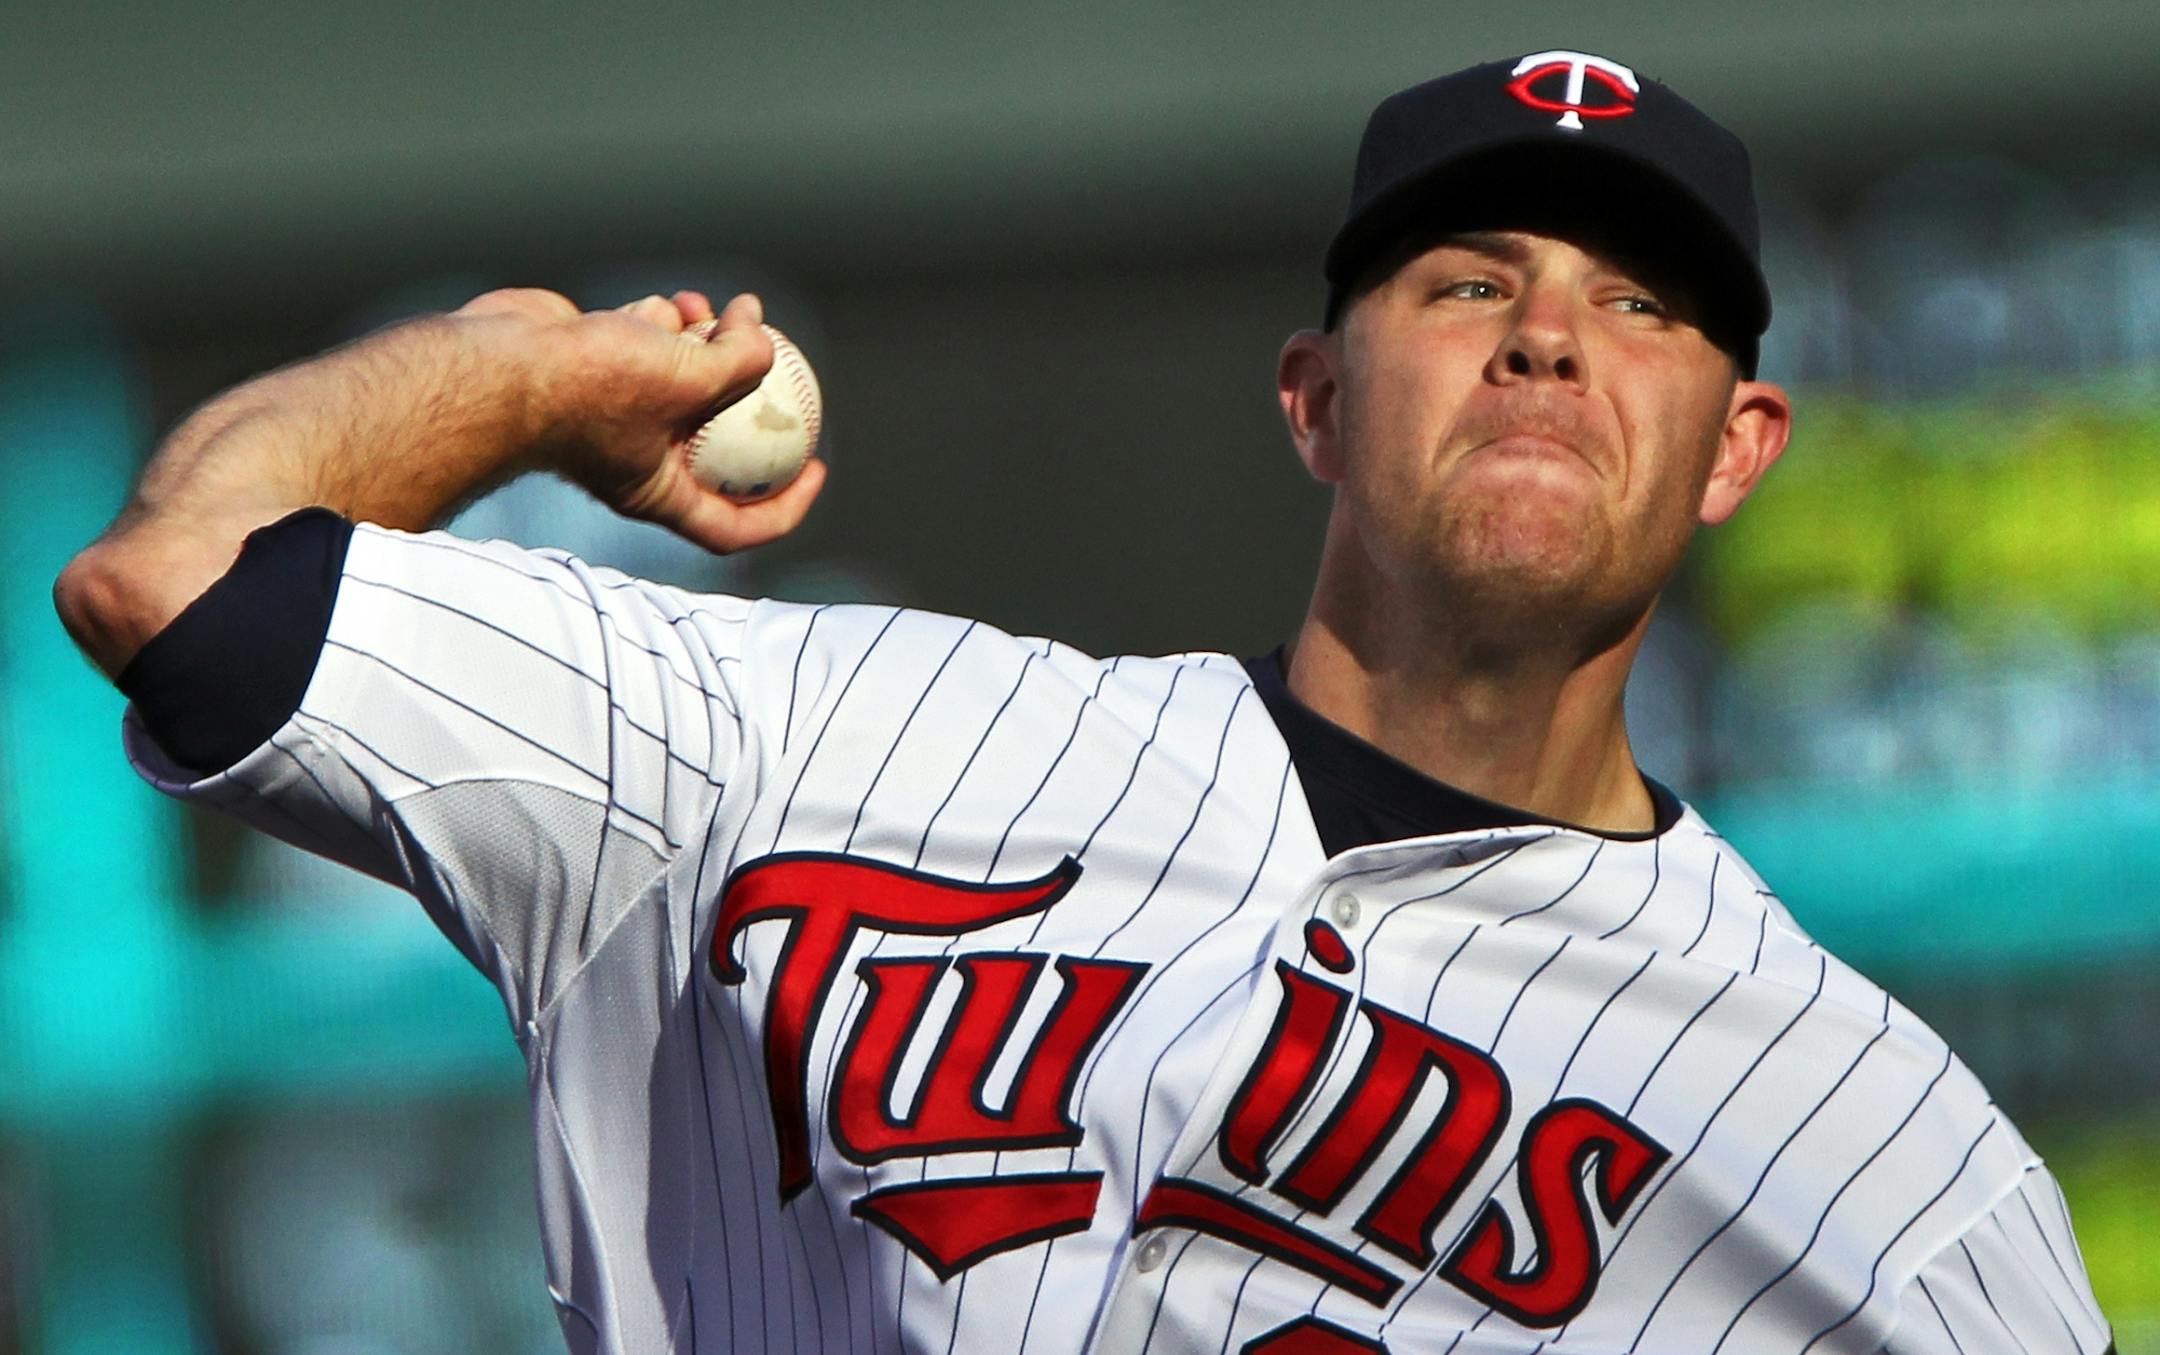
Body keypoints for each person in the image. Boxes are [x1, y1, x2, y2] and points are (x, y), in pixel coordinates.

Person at [54, 49, 2112, 1355]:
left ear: (1742, 446)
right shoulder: (803, 739)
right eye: (1470, 282)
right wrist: (510, 387)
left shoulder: (1883, 1168)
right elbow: (179, 582)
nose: (1549, 341)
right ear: (1316, 400)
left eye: (1637, 304)